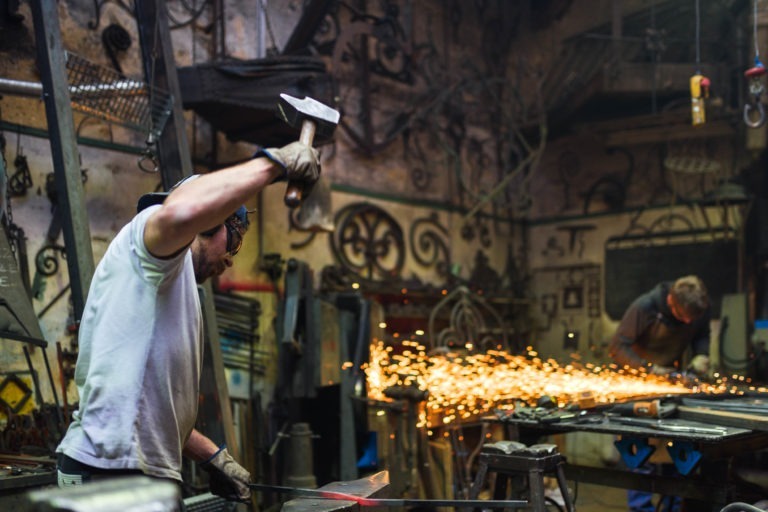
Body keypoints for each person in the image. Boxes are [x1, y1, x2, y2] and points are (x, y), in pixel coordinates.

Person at [55, 141, 320, 504]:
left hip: (132, 472)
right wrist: (275, 164)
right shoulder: (149, 236)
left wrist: (212, 456)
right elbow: (180, 211)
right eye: (234, 241)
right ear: (209, 223)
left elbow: (151, 405)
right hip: (110, 472)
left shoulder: (171, 282)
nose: (230, 260)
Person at [608, 274, 712, 512]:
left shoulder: (700, 309)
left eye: (691, 319)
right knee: (640, 456)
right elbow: (616, 347)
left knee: (678, 455)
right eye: (682, 317)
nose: (687, 322)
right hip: (638, 387)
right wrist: (650, 369)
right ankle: (641, 509)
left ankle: (673, 507)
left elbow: (702, 334)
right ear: (671, 301)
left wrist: (701, 355)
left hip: (670, 385)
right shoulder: (645, 307)